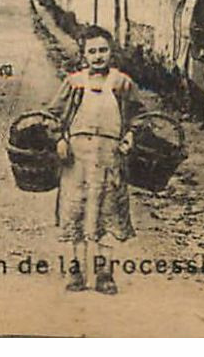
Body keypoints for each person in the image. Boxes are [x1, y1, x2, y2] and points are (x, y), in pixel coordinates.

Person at [47, 24, 142, 295]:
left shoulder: (122, 83)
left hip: (109, 156)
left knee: (107, 213)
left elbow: (138, 116)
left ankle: (104, 274)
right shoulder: (74, 83)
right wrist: (60, 139)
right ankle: (75, 272)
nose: (98, 56)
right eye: (92, 51)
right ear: (83, 55)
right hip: (77, 157)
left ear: (111, 53)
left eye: (103, 50)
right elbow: (53, 116)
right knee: (75, 211)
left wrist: (131, 134)